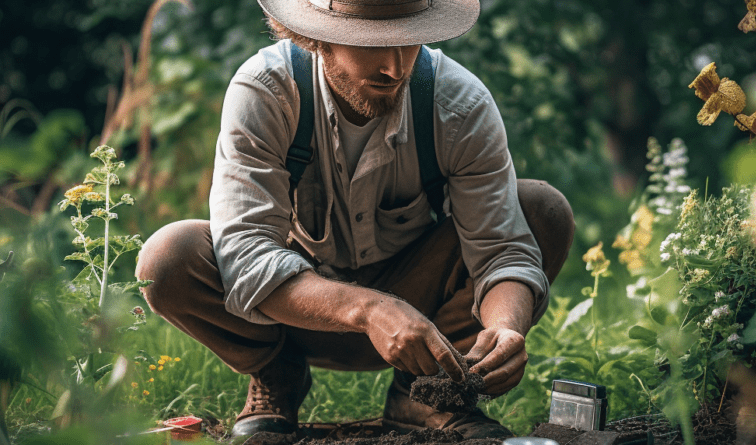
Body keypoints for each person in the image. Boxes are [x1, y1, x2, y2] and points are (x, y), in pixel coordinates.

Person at [136, 0, 575, 440]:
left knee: (542, 209)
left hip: (427, 325)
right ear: (316, 37)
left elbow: (501, 249)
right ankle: (276, 375)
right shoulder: (266, 91)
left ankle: (429, 395)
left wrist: (505, 326)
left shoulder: (459, 104)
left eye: (408, 41)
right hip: (292, 317)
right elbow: (247, 261)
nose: (395, 67)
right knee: (166, 260)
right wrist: (370, 309)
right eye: (371, 45)